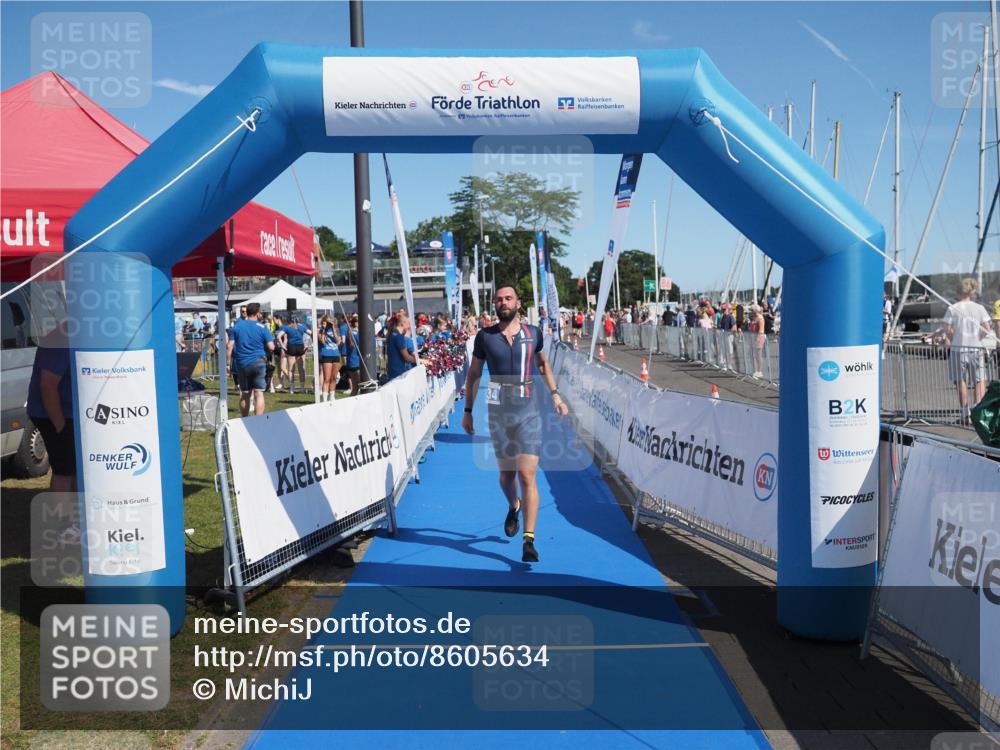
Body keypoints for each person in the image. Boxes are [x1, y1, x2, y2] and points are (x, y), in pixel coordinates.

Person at [461, 286, 569, 563]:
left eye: (508, 298)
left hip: (529, 412)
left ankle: (529, 541)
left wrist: (556, 395)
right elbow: (474, 373)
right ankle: (514, 505)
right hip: (499, 413)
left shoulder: (534, 333)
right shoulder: (485, 336)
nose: (503, 302)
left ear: (518, 303)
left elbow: (544, 365)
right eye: (498, 299)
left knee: (527, 475)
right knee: (506, 477)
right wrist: (468, 410)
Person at [27, 330, 76, 493]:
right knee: (64, 470)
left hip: (67, 412)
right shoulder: (62, 339)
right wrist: (60, 426)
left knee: (73, 466)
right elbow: (47, 385)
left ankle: (75, 513)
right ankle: (63, 517)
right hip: (52, 414)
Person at [943, 278, 993, 425]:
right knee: (979, 379)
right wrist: (978, 337)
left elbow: (947, 328)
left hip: (959, 348)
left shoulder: (953, 308)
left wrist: (953, 338)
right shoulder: (979, 308)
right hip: (975, 347)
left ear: (959, 291)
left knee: (961, 381)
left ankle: (965, 412)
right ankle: (978, 409)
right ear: (972, 292)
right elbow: (987, 328)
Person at [227, 302, 275, 417]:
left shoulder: (237, 326)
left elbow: (229, 347)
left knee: (245, 394)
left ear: (246, 312)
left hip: (242, 363)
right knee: (259, 393)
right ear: (257, 313)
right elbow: (271, 347)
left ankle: (245, 419)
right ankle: (258, 421)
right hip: (259, 362)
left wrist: (228, 364)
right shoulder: (262, 327)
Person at [386, 313, 426, 381]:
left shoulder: (393, 334)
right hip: (398, 374)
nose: (410, 326)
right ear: (403, 323)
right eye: (409, 323)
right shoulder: (398, 337)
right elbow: (407, 358)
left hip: (393, 372)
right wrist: (422, 361)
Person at [281, 316, 310, 394]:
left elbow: (278, 336)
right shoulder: (302, 326)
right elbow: (311, 333)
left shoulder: (287, 327)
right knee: (301, 368)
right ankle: (302, 388)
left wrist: (282, 345)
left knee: (291, 369)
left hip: (291, 347)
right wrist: (308, 344)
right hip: (300, 347)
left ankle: (291, 388)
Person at [317, 313, 342, 402]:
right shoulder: (320, 330)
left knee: (334, 377)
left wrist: (333, 329)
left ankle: (332, 396)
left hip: (335, 354)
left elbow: (338, 341)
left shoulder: (335, 329)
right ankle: (324, 398)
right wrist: (324, 330)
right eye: (326, 322)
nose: (327, 323)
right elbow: (322, 341)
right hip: (326, 354)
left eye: (329, 321)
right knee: (327, 378)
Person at [749, 304, 766, 378]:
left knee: (758, 355)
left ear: (754, 311)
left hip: (759, 338)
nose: (750, 312)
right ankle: (755, 370)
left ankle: (759, 371)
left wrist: (757, 339)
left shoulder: (760, 318)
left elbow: (761, 330)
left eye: (751, 310)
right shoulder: (754, 318)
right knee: (753, 354)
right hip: (753, 337)